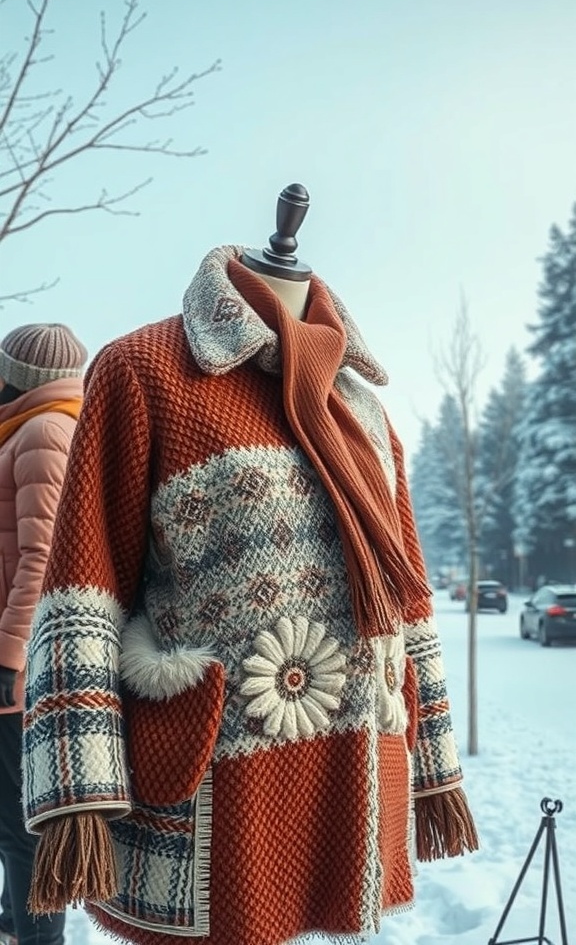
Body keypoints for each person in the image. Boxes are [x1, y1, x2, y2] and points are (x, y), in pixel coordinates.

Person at [23, 245, 477, 945]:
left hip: (357, 769)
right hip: (218, 786)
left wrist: (435, 769)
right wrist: (77, 791)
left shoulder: (362, 408)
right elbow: (82, 589)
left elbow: (408, 600)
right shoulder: (146, 371)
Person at [0, 324, 87, 945]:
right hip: (15, 658)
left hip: (21, 668)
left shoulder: (44, 432)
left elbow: (43, 559)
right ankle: (16, 919)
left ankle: (39, 937)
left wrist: (9, 657)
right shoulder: (26, 429)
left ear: (20, 377)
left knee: (19, 818)